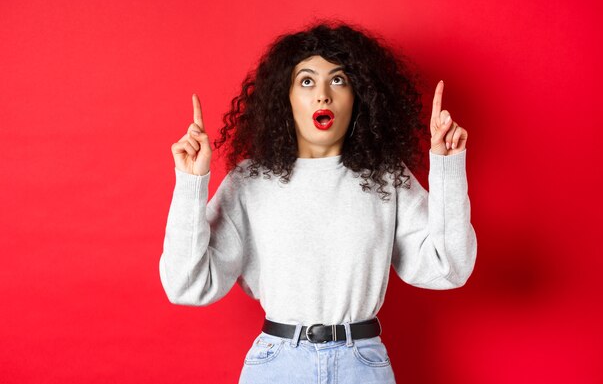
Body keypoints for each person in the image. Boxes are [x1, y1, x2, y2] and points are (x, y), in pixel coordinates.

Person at [159, 21, 477, 384]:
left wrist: (447, 165)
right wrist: (191, 183)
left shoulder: (386, 177)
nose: (323, 94)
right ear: (286, 96)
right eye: (307, 81)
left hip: (362, 363)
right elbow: (187, 285)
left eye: (338, 80)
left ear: (358, 95)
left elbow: (449, 267)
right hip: (278, 365)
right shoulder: (250, 182)